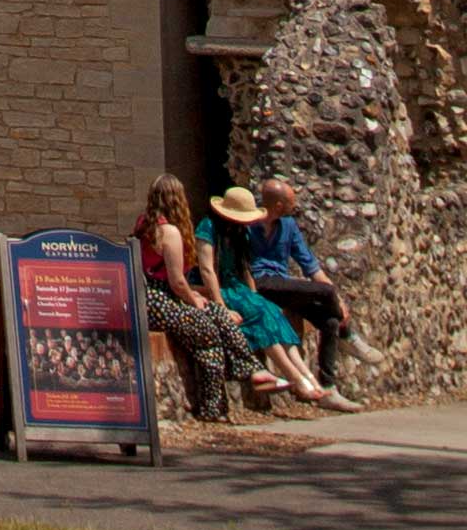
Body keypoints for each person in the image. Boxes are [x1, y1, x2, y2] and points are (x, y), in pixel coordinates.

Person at [204, 189, 329, 404]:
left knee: (270, 310)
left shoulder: (240, 232)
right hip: (222, 288)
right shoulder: (208, 228)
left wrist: (253, 295)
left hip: (238, 287)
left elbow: (245, 268)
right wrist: (221, 305)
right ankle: (296, 378)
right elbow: (208, 270)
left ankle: (307, 375)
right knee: (260, 314)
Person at [134, 182, 243, 422]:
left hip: (153, 297)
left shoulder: (144, 224)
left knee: (217, 312)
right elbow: (177, 282)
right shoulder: (169, 232)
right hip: (160, 299)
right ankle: (214, 406)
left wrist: (199, 298)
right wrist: (194, 300)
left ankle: (248, 367)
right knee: (208, 334)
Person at [247, 178, 354, 395]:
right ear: (278, 205)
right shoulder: (249, 227)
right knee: (327, 290)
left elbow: (311, 266)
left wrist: (339, 303)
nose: (295, 206)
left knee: (330, 321)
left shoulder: (289, 226)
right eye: (291, 201)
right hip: (262, 283)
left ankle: (328, 386)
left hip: (282, 286)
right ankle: (350, 337)